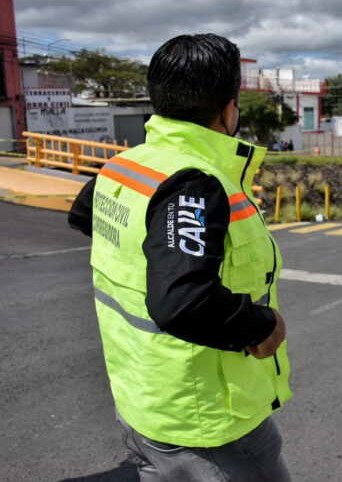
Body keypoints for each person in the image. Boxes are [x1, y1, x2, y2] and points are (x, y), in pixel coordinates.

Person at [67, 34, 292, 480]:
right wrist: (261, 324)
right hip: (205, 424)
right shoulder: (195, 183)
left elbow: (84, 214)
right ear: (229, 108)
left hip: (139, 402)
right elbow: (183, 301)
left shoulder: (126, 164)